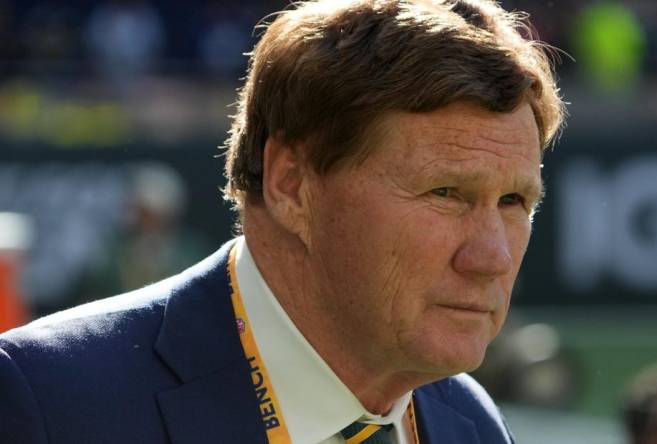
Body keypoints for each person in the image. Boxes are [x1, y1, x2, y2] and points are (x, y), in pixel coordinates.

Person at [0, 0, 565, 442]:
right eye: (446, 193)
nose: (492, 257)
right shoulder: (50, 401)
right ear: (292, 185)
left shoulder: (469, 421)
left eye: (515, 202)